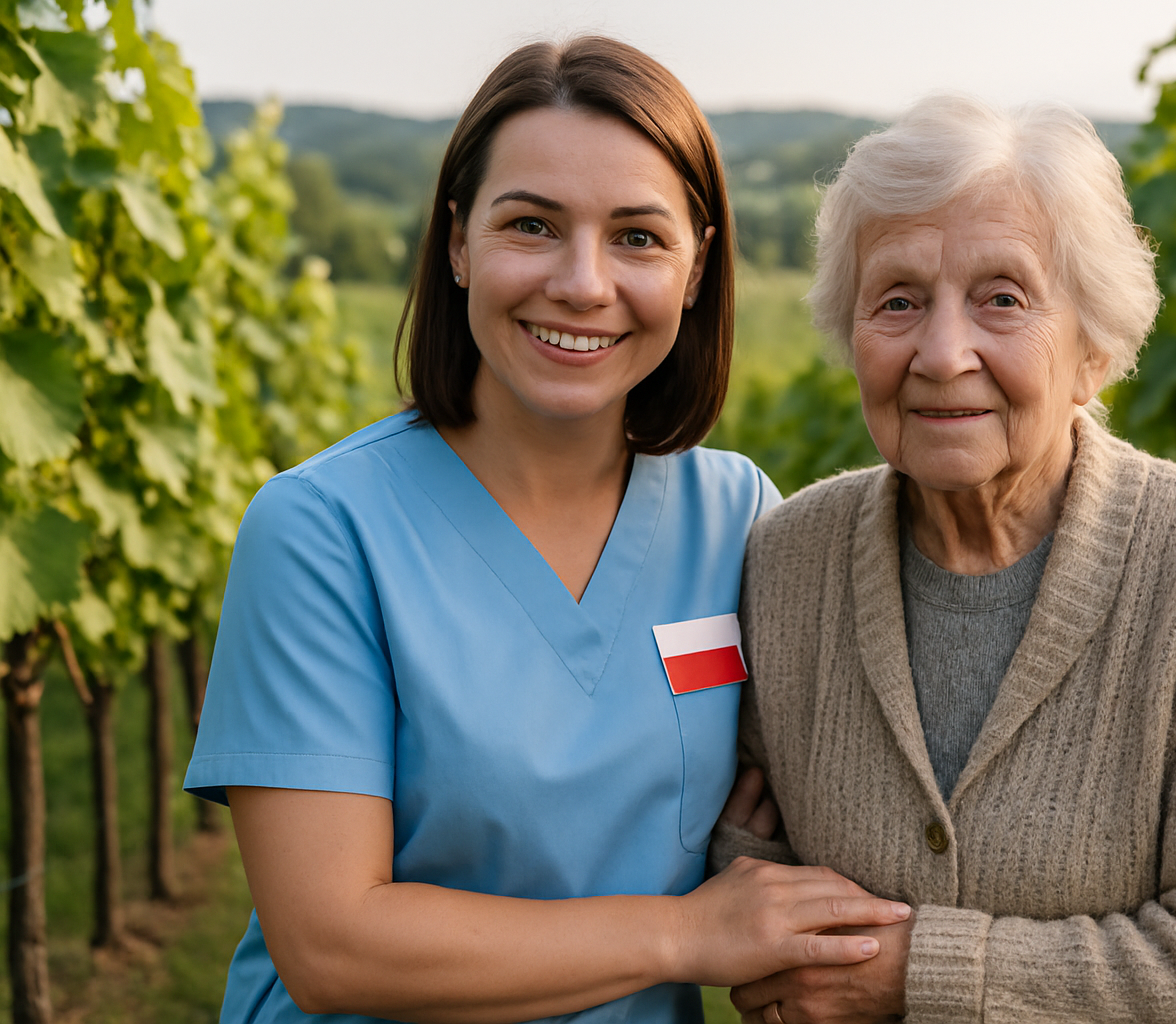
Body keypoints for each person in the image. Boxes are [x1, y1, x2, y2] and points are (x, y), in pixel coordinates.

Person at [183, 36, 909, 1024]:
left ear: (696, 266)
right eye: (533, 224)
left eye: (638, 237)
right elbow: (333, 944)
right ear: (456, 243)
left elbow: (802, 802)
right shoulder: (321, 531)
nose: (582, 282)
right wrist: (688, 932)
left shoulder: (739, 519)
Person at [713, 95, 1176, 1024]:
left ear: (1094, 349)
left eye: (1003, 298)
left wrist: (914, 972)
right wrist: (750, 896)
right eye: (898, 300)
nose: (942, 351)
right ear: (853, 337)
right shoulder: (789, 559)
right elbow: (750, 867)